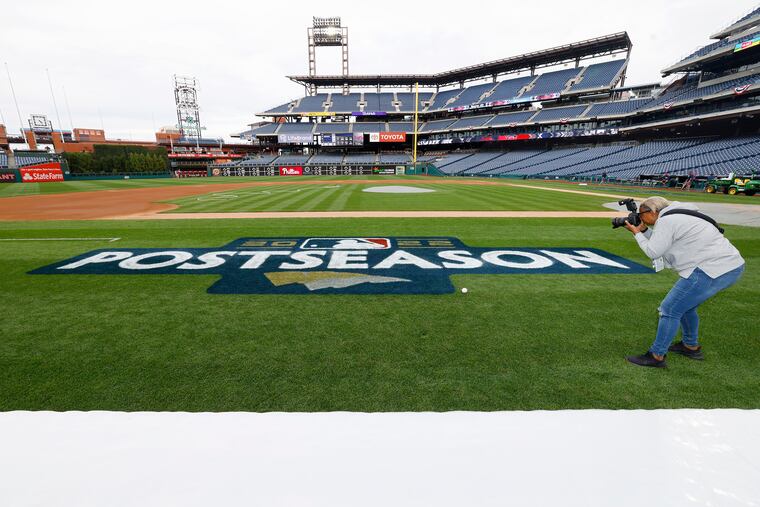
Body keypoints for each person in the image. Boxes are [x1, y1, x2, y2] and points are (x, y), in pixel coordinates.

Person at [623, 196, 745, 367]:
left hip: (711, 269)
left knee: (670, 309)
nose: (640, 218)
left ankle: (656, 356)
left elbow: (653, 251)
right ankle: (690, 346)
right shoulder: (682, 214)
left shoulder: (666, 221)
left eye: (642, 214)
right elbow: (664, 242)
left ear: (652, 212)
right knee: (686, 307)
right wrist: (644, 231)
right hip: (731, 266)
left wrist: (637, 234)